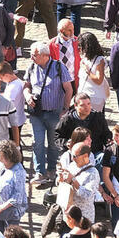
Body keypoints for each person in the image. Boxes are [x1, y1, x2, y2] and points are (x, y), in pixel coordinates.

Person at [23, 44, 74, 186]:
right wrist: (27, 96)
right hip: (37, 113)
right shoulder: (32, 67)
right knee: (37, 142)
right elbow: (26, 85)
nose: (31, 57)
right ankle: (40, 172)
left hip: (54, 113)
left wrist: (65, 108)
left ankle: (51, 170)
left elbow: (68, 89)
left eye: (34, 54)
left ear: (45, 55)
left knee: (53, 143)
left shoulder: (59, 67)